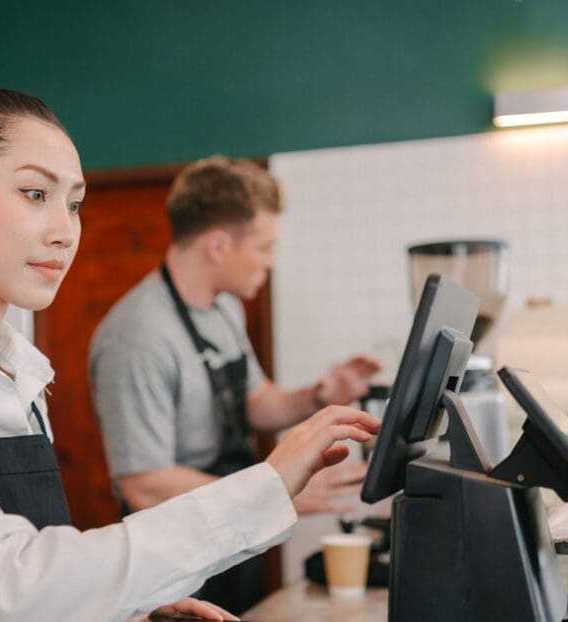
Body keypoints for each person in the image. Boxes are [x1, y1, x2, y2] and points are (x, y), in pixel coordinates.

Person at [0, 88, 380, 622]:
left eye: (74, 204)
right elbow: (4, 587)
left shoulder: (21, 380)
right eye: (35, 194)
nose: (64, 231)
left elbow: (41, 576)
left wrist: (127, 611)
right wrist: (268, 483)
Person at [89, 156, 382, 613]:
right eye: (265, 247)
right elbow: (143, 484)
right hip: (173, 561)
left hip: (230, 540)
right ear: (219, 245)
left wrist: (320, 395)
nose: (271, 261)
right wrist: (271, 493)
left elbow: (256, 402)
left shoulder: (224, 308)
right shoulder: (138, 337)